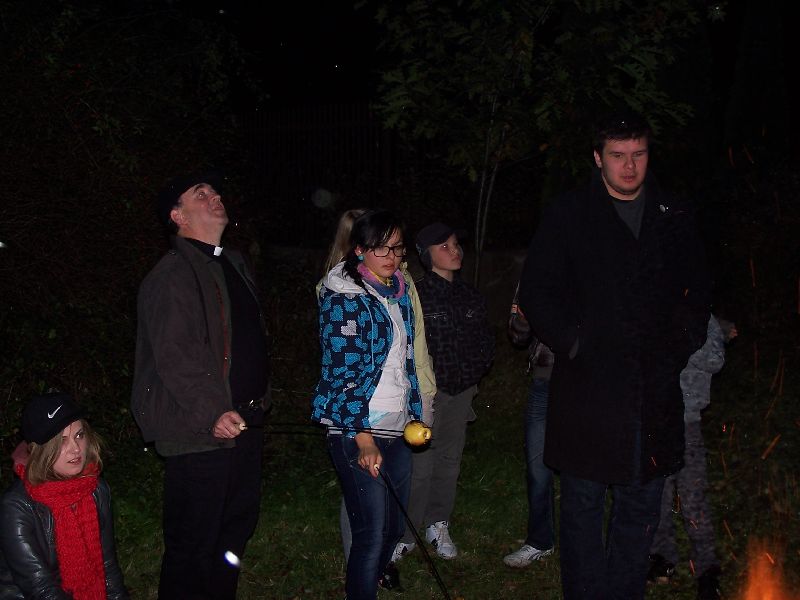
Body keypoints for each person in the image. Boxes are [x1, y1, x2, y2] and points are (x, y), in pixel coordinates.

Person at [519, 112, 711, 599]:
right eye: (618, 155)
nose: (629, 166)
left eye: (638, 154)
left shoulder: (674, 213)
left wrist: (677, 345)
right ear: (598, 157)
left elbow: (697, 292)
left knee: (641, 504)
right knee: (582, 503)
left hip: (652, 389)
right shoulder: (570, 213)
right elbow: (538, 290)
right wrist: (575, 342)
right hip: (588, 388)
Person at [132, 171, 270, 599]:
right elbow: (176, 356)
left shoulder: (231, 264)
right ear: (178, 215)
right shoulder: (173, 275)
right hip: (200, 430)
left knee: (233, 532)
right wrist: (213, 411)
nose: (215, 196)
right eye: (201, 193)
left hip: (244, 423)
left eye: (215, 190)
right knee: (194, 544)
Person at [320, 209, 437, 590]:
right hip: (358, 429)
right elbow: (342, 373)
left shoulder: (398, 292)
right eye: (380, 248)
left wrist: (417, 410)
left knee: (391, 529)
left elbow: (406, 362)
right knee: (370, 534)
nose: (391, 256)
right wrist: (363, 439)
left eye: (397, 248)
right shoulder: (344, 298)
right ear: (359, 250)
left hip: (398, 426)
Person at [392, 223, 495, 561]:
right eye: (444, 246)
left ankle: (438, 523)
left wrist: (472, 374)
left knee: (449, 461)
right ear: (427, 255)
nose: (454, 250)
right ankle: (407, 533)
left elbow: (486, 340)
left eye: (455, 244)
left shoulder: (470, 295)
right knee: (420, 467)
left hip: (461, 393)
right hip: (426, 395)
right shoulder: (415, 295)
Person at [0, 392, 128, 599]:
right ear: (42, 450)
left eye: (79, 435)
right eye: (62, 441)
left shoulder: (96, 489)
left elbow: (108, 566)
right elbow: (40, 588)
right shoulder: (16, 507)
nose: (75, 449)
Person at [648, 315, 737, 600]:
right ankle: (661, 556)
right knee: (659, 494)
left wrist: (682, 342)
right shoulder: (657, 306)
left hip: (688, 423)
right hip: (657, 420)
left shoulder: (702, 317)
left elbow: (715, 359)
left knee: (693, 497)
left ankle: (707, 570)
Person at [503, 284, 557, 568]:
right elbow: (517, 333)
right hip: (544, 379)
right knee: (538, 465)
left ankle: (584, 544)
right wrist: (527, 313)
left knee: (582, 470)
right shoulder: (538, 272)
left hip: (585, 380)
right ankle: (540, 540)